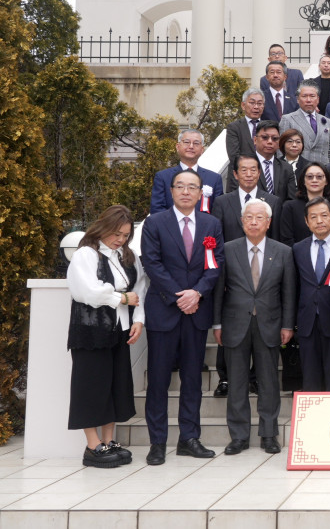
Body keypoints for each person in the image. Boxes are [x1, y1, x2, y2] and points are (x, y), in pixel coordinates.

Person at [140, 168, 225, 465]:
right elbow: (152, 263)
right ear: (172, 191)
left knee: (192, 379)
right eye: (181, 186)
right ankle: (158, 442)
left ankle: (189, 438)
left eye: (193, 187)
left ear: (201, 193)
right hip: (165, 310)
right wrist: (180, 295)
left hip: (197, 312)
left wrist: (197, 293)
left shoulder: (211, 224)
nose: (186, 191)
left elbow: (215, 265)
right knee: (159, 380)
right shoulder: (155, 223)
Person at [212, 199, 295, 456]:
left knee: (268, 382)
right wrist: (217, 323)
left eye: (260, 218)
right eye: (249, 217)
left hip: (269, 324)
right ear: (242, 221)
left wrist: (288, 324)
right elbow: (218, 291)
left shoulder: (283, 251)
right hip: (235, 324)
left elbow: (288, 291)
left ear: (268, 222)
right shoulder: (228, 249)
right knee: (236, 382)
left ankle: (269, 434)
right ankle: (239, 436)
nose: (254, 222)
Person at [67, 205, 146, 468]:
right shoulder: (86, 254)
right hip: (90, 331)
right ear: (103, 227)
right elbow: (86, 291)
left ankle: (108, 441)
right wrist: (120, 297)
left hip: (119, 330)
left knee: (113, 387)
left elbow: (140, 289)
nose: (120, 239)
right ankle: (92, 446)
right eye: (117, 233)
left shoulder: (126, 255)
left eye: (125, 235)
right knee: (90, 388)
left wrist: (138, 319)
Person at [293, 197, 330, 392]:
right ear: (306, 222)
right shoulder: (298, 248)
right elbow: (295, 287)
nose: (319, 221)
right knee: (310, 379)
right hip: (307, 321)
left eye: (324, 215)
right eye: (313, 217)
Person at [151, 130, 224, 214]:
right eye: (186, 142)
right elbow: (157, 211)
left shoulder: (214, 179)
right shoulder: (163, 177)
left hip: (205, 226)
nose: (191, 146)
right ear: (178, 147)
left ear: (202, 150)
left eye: (196, 143)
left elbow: (218, 214)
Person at [212, 154, 282, 243]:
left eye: (253, 170)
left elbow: (276, 237)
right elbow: (217, 236)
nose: (249, 175)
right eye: (244, 170)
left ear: (259, 173)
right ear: (235, 174)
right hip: (231, 255)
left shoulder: (273, 201)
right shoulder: (221, 202)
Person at [279, 162, 330, 246]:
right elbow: (286, 240)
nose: (314, 180)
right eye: (310, 177)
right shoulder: (289, 207)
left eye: (319, 177)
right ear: (303, 181)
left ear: (326, 181)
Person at [277, 83, 330, 168]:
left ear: (318, 99)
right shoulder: (288, 119)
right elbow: (280, 149)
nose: (308, 100)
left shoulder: (327, 121)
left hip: (323, 171)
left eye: (312, 96)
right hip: (298, 170)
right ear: (297, 99)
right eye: (304, 96)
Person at [253, 120, 296, 202]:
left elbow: (291, 200)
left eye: (274, 138)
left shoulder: (286, 168)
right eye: (265, 137)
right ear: (255, 140)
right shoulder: (244, 165)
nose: (270, 142)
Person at [226, 89, 266, 177]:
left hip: (265, 176)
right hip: (241, 177)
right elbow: (234, 156)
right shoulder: (234, 127)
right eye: (252, 103)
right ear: (243, 105)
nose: (256, 107)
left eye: (259, 103)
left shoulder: (268, 127)